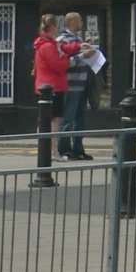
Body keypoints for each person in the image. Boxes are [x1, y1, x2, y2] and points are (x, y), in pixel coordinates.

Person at [56, 11, 95, 161]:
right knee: (67, 120)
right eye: (80, 21)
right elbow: (64, 63)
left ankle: (78, 149)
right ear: (72, 22)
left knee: (80, 121)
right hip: (70, 86)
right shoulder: (62, 40)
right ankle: (64, 150)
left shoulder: (79, 38)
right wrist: (82, 56)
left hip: (83, 84)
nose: (82, 23)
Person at [31, 13, 67, 135]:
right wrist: (64, 57)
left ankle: (45, 145)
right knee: (52, 120)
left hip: (47, 85)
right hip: (53, 86)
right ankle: (50, 146)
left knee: (45, 119)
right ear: (52, 27)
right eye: (57, 26)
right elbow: (58, 66)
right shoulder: (48, 46)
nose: (57, 29)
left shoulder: (45, 44)